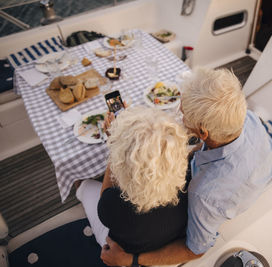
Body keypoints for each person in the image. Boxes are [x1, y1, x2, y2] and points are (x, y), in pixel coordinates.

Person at [100, 68, 272, 266]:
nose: (180, 117)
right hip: (258, 171)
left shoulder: (204, 195)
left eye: (183, 113)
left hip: (228, 195)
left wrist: (130, 260)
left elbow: (195, 250)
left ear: (202, 132)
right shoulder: (244, 118)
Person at [75, 106, 190, 261]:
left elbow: (106, 194)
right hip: (163, 241)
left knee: (82, 183)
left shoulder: (113, 203)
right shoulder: (190, 183)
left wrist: (114, 144)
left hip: (124, 251)